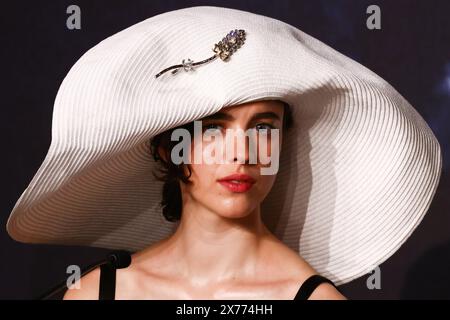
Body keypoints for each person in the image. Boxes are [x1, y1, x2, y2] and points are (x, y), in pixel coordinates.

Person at [6, 6, 442, 300]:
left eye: (264, 125)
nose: (243, 152)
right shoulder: (96, 293)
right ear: (166, 148)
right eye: (213, 128)